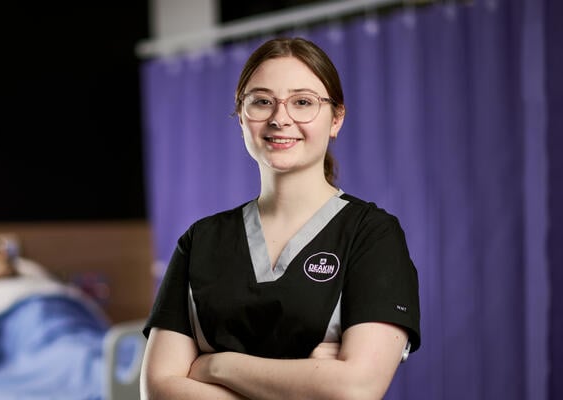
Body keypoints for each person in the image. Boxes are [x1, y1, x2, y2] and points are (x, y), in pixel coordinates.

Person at [140, 37, 421, 400]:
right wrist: (310, 383)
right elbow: (159, 391)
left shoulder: (371, 234)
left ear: (336, 119)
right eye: (261, 102)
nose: (280, 118)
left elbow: (356, 388)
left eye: (303, 102)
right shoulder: (201, 240)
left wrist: (216, 367)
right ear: (241, 116)